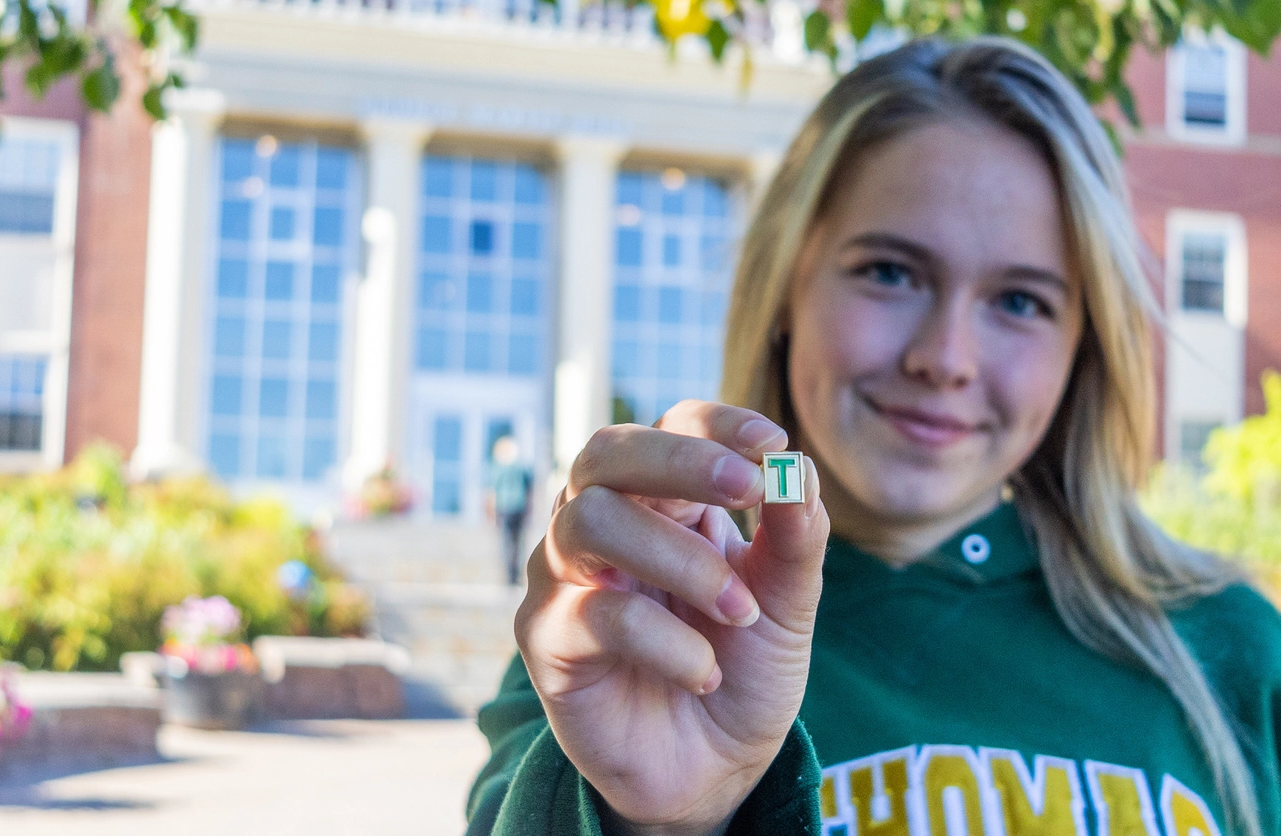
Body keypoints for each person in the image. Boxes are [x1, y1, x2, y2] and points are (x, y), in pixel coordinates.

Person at [464, 36, 1281, 836]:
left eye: (1020, 301)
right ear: (787, 287)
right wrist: (664, 822)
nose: (945, 359)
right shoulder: (626, 631)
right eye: (890, 272)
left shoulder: (1232, 649)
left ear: (1083, 347)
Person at [488, 434, 534, 586]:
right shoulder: (521, 467)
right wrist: (530, 509)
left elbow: (493, 491)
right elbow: (529, 490)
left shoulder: (498, 467)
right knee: (518, 542)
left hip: (504, 508)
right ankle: (516, 574)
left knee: (506, 542)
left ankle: (509, 576)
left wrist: (492, 512)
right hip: (519, 507)